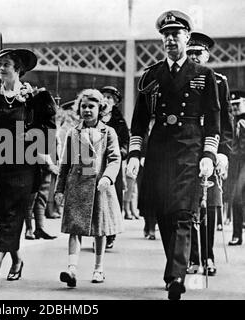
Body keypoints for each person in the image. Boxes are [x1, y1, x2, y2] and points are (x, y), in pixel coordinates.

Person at [126, 11, 220, 300]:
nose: (170, 39)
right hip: (159, 150)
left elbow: (214, 117)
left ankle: (178, 275)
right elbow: (139, 119)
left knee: (182, 212)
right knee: (165, 213)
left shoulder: (203, 75)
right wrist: (134, 153)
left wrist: (209, 153)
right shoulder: (151, 75)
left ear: (186, 37)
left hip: (190, 149)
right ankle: (173, 270)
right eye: (165, 35)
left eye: (176, 34)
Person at [0, 48, 57, 286]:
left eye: (6, 64)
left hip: (24, 165)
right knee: (2, 216)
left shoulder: (34, 98)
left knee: (13, 214)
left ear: (18, 69)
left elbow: (48, 128)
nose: (1, 68)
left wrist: (40, 150)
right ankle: (17, 260)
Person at [55, 89, 123, 286]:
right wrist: (59, 189)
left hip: (100, 187)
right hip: (76, 186)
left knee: (100, 229)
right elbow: (65, 163)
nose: (87, 110)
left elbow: (115, 158)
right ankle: (72, 268)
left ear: (100, 109)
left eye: (91, 106)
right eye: (83, 106)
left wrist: (108, 178)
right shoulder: (73, 132)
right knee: (74, 229)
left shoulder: (109, 132)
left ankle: (99, 268)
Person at [186, 32, 234, 276]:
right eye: (190, 52)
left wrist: (223, 152)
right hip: (186, 150)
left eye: (198, 52)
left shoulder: (218, 81)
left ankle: (208, 256)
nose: (194, 57)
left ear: (207, 55)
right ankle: (193, 257)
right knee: (189, 205)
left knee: (211, 204)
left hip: (211, 149)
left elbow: (226, 120)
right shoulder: (180, 79)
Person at [100, 86, 129, 248]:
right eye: (103, 97)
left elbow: (126, 141)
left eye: (110, 98)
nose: (106, 100)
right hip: (95, 165)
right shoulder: (93, 116)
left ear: (116, 102)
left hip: (112, 165)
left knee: (112, 198)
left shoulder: (119, 120)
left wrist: (121, 153)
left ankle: (110, 234)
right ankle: (99, 231)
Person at [227, 90, 245, 246]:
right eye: (232, 105)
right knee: (236, 198)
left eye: (237, 104)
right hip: (236, 163)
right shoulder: (231, 121)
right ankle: (237, 234)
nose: (234, 108)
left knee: (238, 196)